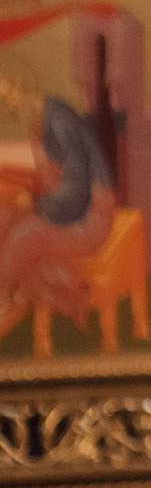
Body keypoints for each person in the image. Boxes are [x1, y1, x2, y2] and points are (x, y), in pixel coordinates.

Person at [0, 73, 113, 331]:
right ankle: (8, 299)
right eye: (3, 102)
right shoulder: (41, 120)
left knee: (22, 238)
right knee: (3, 215)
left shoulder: (60, 122)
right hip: (63, 209)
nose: (9, 107)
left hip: (89, 218)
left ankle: (2, 304)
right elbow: (53, 176)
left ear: (24, 86)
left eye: (9, 98)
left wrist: (33, 205)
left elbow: (76, 195)